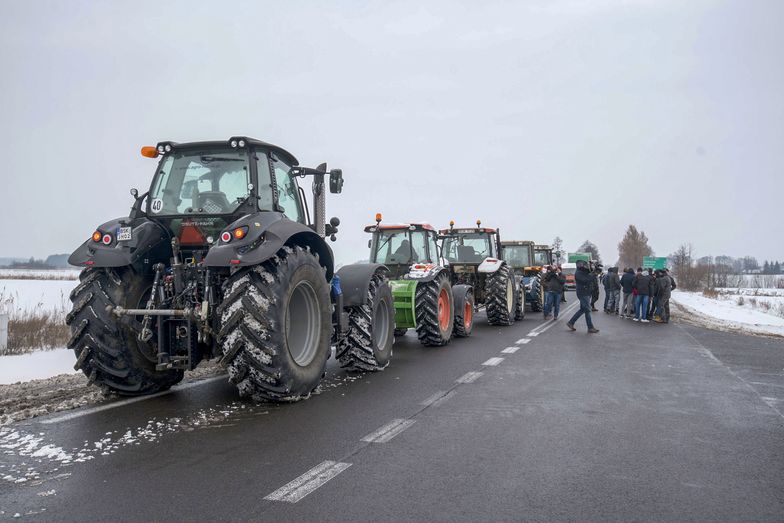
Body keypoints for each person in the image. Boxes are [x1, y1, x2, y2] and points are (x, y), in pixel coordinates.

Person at [567, 260, 599, 333]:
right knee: (587, 309)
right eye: (584, 264)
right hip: (583, 293)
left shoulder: (583, 271)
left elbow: (589, 273)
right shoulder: (578, 273)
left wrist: (594, 269)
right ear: (579, 265)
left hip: (586, 292)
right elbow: (586, 280)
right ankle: (590, 327)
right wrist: (594, 274)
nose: (585, 266)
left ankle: (571, 323)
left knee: (583, 309)